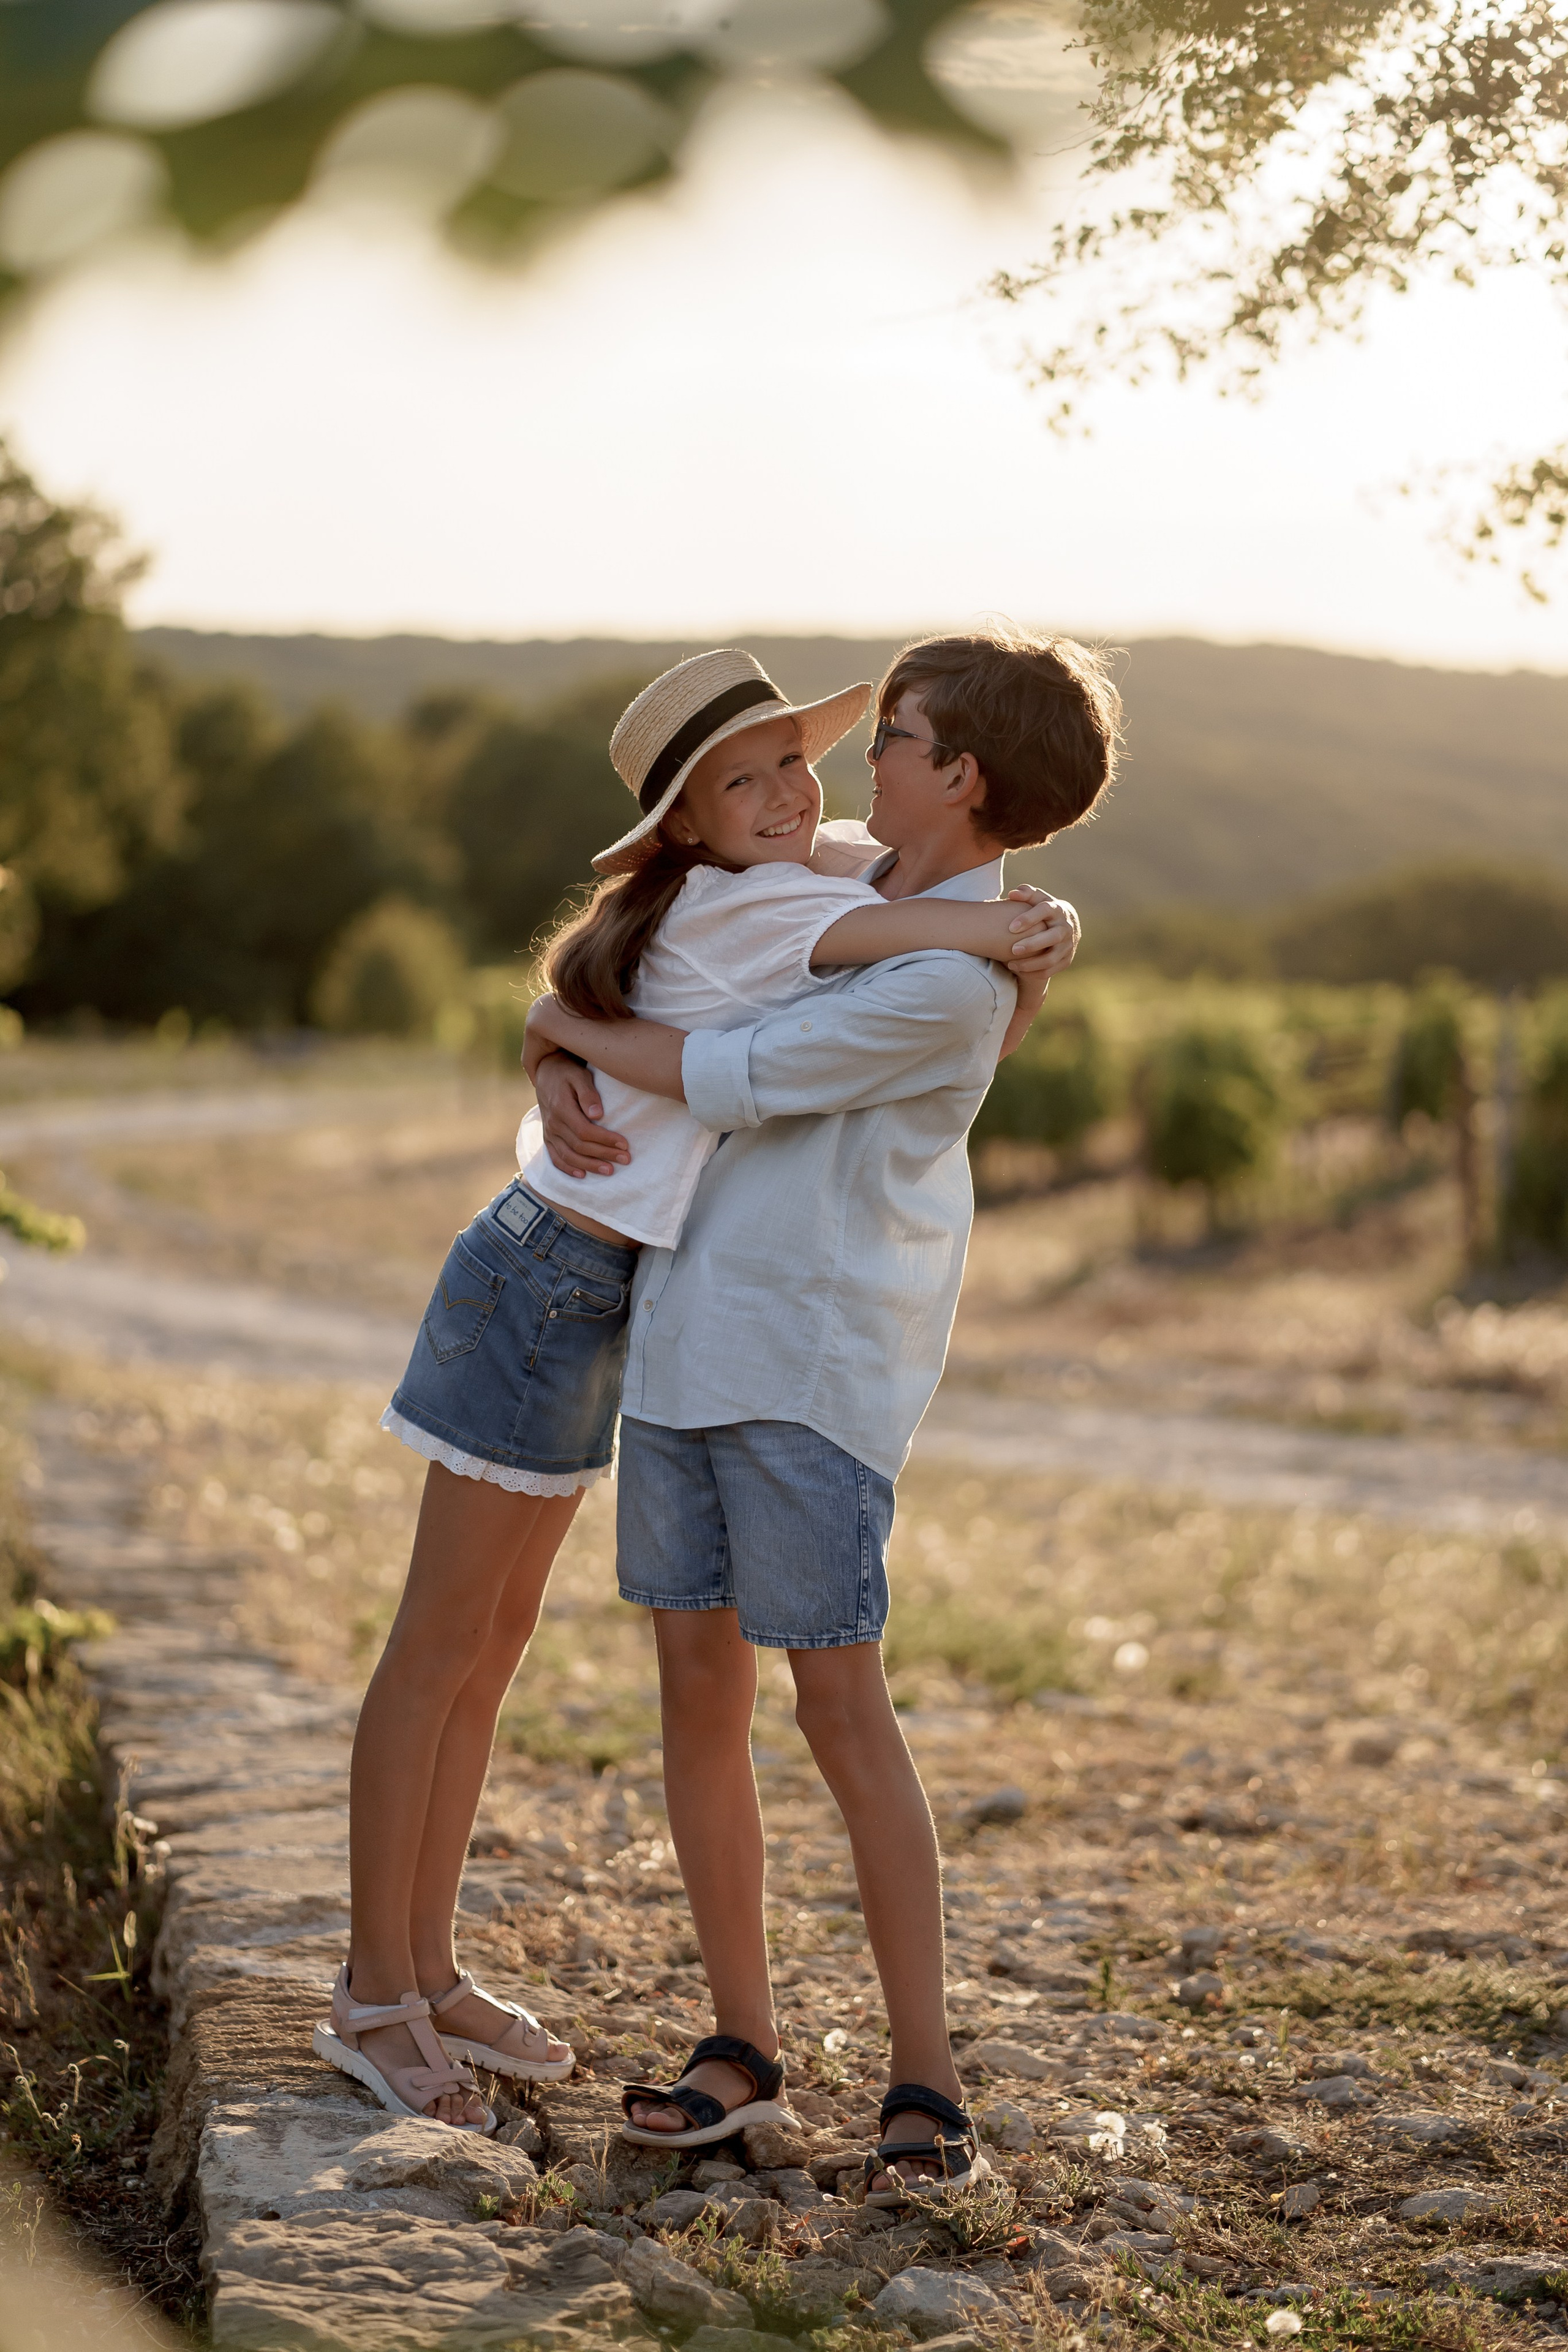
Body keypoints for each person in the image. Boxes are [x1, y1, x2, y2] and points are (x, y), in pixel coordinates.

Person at [314, 648, 1066, 2132]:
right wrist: (1029, 924)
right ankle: (370, 1990)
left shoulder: (778, 871)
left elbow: (875, 878)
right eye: (747, 778)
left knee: (496, 1641)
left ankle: (430, 1964)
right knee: (440, 1641)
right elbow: (895, 917)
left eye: (801, 758)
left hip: (604, 1299)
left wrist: (554, 1039)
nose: (798, 790)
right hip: (547, 1283)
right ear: (689, 824)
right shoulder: (785, 907)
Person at [527, 624, 1117, 2197]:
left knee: (839, 1711)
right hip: (682, 1354)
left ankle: (924, 2076)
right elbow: (716, 871)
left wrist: (569, 1032)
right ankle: (741, 2048)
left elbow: (721, 1075)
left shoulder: (944, 976)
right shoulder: (867, 889)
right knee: (693, 1704)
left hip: (808, 1375)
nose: (859, 763)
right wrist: (558, 1049)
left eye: (894, 736)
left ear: (959, 774)